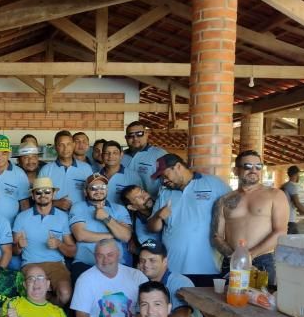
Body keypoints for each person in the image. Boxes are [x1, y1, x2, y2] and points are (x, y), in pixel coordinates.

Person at [148, 154, 230, 286]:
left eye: (165, 175)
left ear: (178, 167)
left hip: (206, 268)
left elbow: (233, 213)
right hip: (172, 269)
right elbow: (152, 227)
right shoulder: (165, 192)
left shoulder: (214, 184)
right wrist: (158, 216)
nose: (163, 180)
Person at [211, 151, 288, 289]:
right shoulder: (224, 201)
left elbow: (281, 232)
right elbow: (217, 236)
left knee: (260, 306)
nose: (254, 170)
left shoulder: (275, 195)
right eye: (247, 166)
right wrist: (234, 257)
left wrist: (249, 255)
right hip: (231, 261)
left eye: (258, 166)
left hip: (262, 261)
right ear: (236, 171)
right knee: (229, 304)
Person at [71, 239, 147, 317]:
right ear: (95, 257)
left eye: (110, 255)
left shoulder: (136, 275)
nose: (105, 260)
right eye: (100, 255)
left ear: (118, 254)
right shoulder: (85, 279)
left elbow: (147, 307)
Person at [12, 177, 75, 305]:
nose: (43, 195)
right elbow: (13, 251)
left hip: (56, 265)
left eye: (47, 191)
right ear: (33, 195)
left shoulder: (62, 217)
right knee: (34, 295)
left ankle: (50, 310)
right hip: (31, 264)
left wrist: (59, 244)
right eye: (38, 192)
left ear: (53, 194)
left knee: (65, 294)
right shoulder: (22, 217)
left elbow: (72, 251)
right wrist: (19, 245)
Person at [137, 240, 207, 317]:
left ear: (165, 261)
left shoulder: (180, 282)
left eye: (152, 260)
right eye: (142, 260)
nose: (146, 265)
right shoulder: (143, 285)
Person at [69, 174, 132, 282]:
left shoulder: (119, 209)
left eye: (102, 187)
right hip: (85, 264)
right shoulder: (78, 207)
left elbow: (126, 236)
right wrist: (113, 235)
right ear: (85, 191)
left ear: (107, 190)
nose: (98, 191)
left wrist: (106, 217)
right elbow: (80, 235)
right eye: (93, 188)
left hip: (116, 264)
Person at [36, 130, 92, 210]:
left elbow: (93, 195)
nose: (65, 148)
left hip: (80, 217)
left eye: (68, 144)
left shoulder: (86, 168)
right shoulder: (46, 170)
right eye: (61, 145)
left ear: (73, 145)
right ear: (55, 147)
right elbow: (38, 197)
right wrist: (56, 203)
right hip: (54, 217)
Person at [123, 121, 167, 198]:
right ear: (126, 138)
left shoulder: (160, 155)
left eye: (139, 134)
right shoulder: (120, 156)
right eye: (131, 135)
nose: (135, 138)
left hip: (150, 205)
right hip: (124, 206)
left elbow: (168, 181)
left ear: (146, 134)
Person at [280, 165, 304, 234]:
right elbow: (297, 204)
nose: (299, 176)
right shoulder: (292, 186)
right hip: (289, 220)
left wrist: (301, 210)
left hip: (282, 219)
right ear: (295, 174)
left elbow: (291, 203)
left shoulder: (284, 185)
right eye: (298, 174)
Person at [99, 141, 134, 206]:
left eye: (115, 153)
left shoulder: (133, 176)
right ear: (102, 156)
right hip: (99, 214)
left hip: (124, 215)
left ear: (121, 155)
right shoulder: (96, 176)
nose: (111, 156)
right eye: (107, 153)